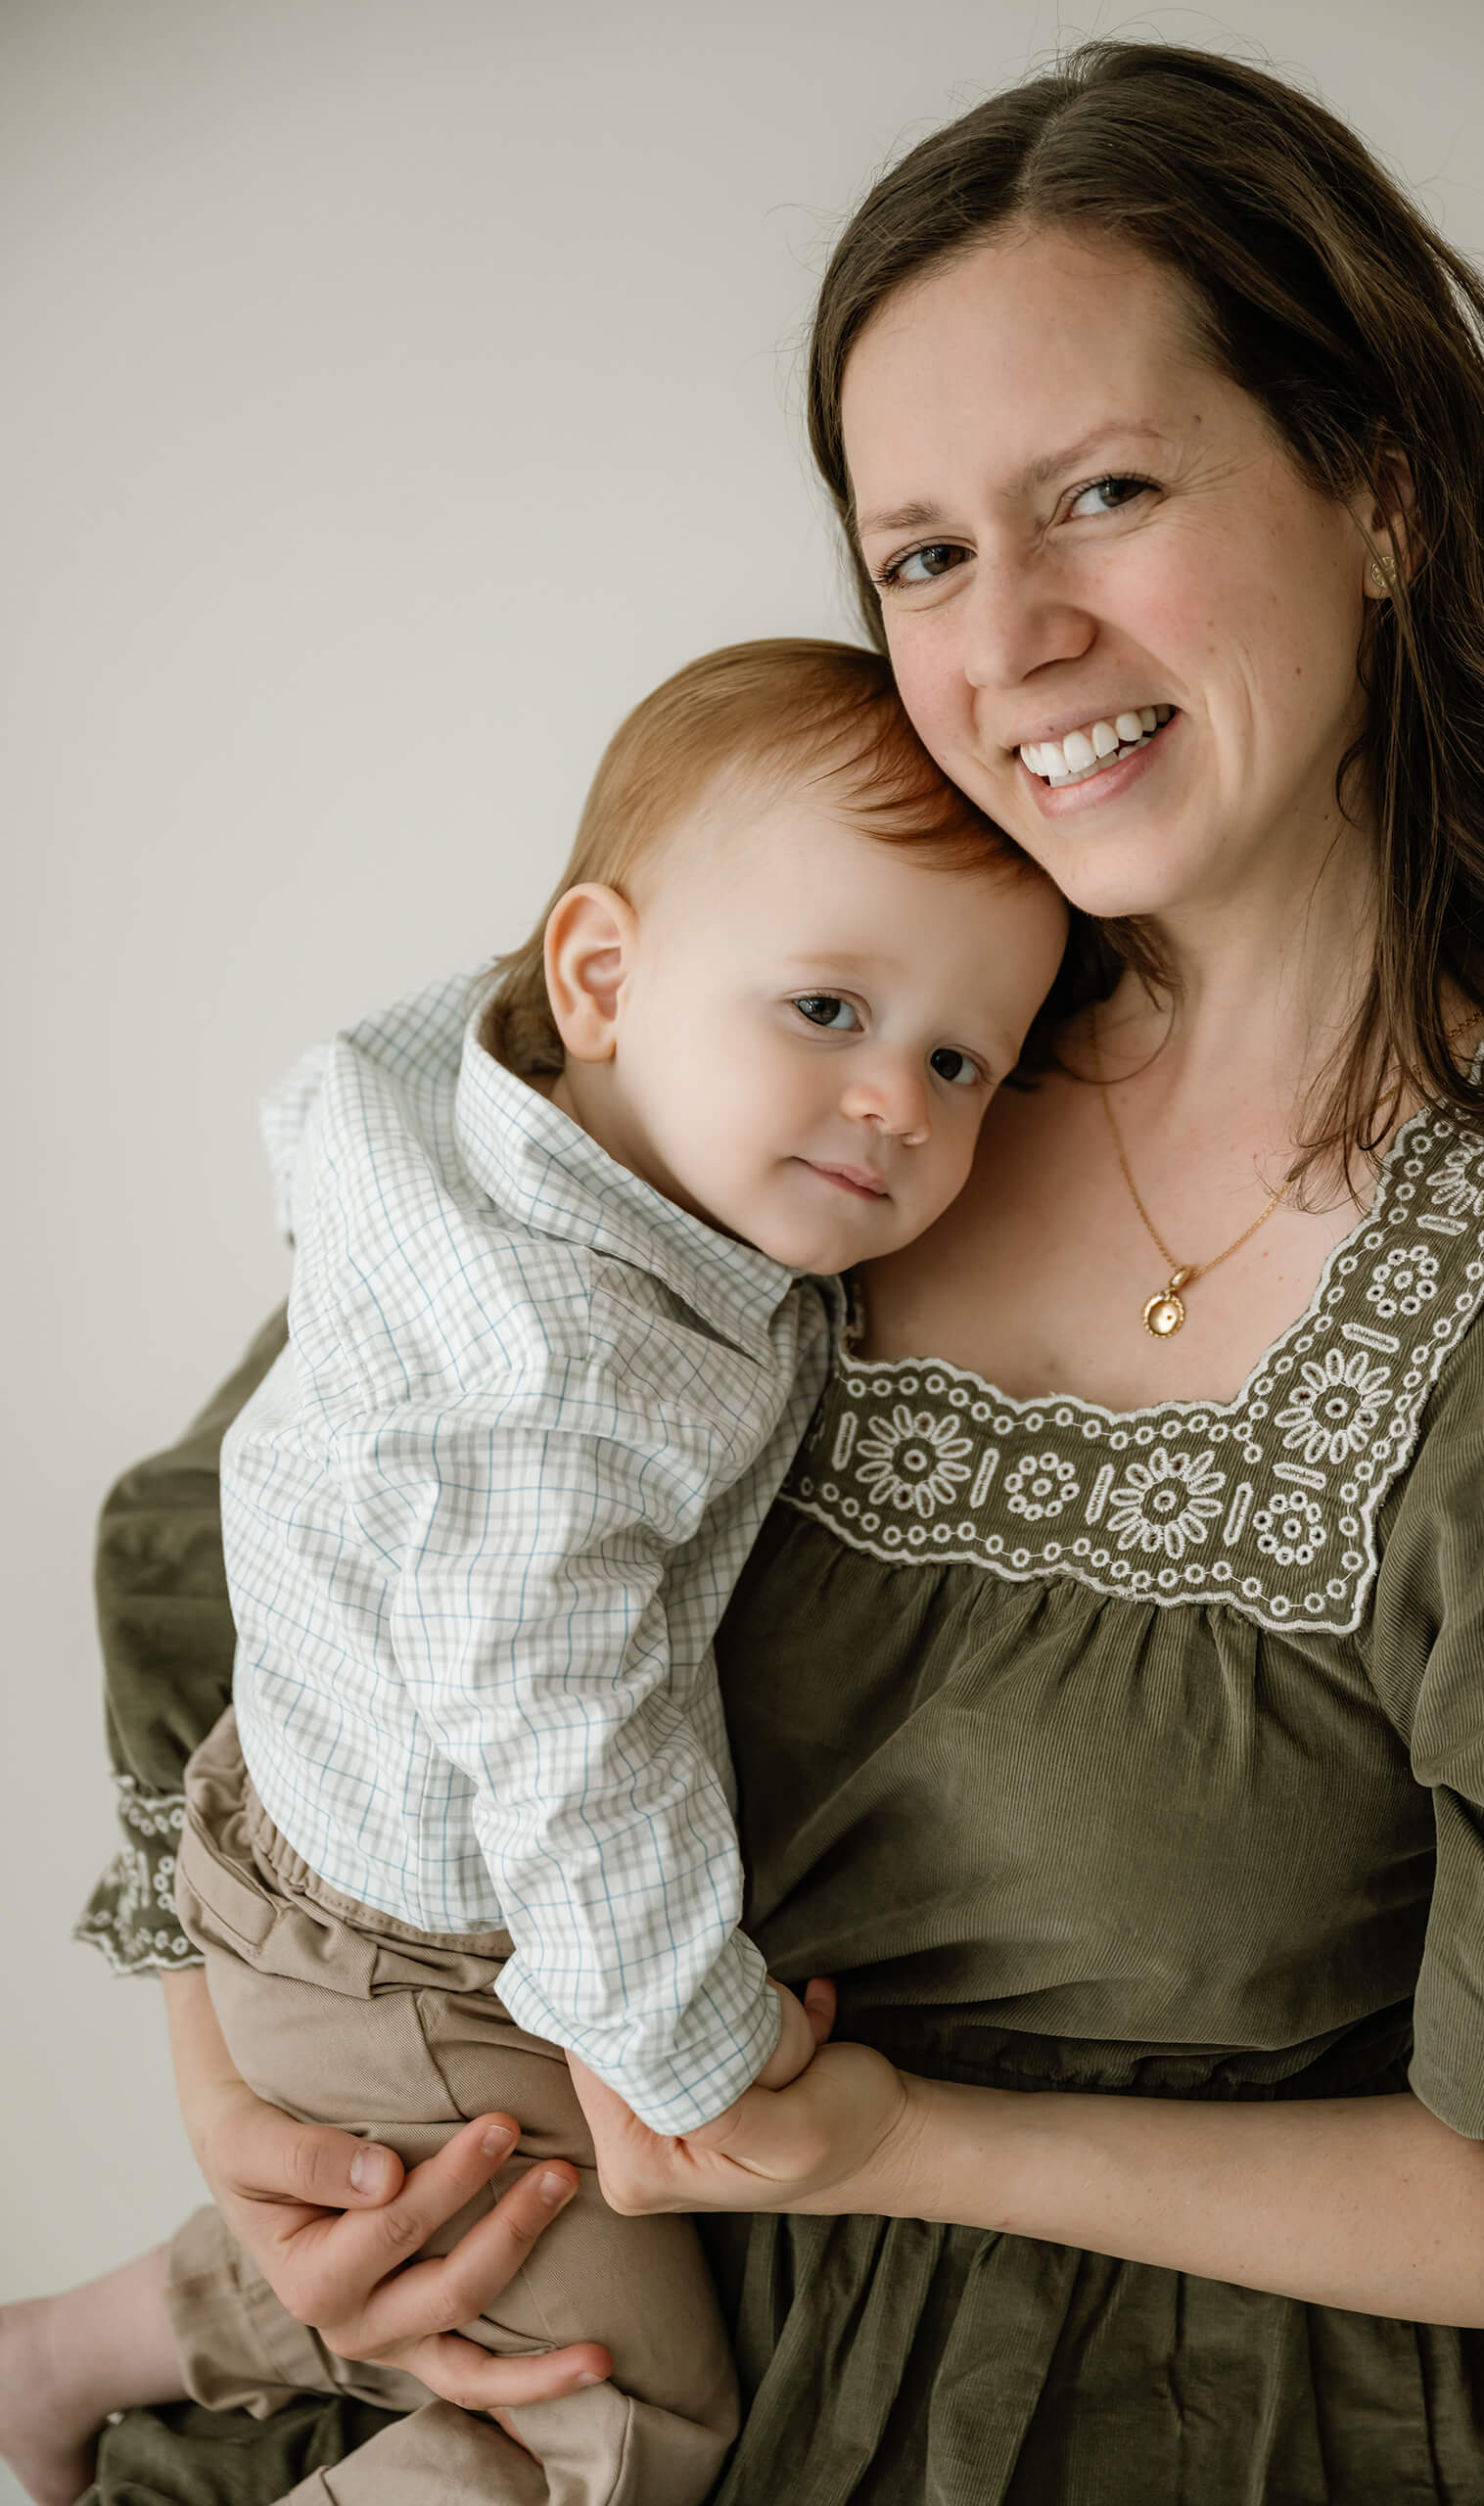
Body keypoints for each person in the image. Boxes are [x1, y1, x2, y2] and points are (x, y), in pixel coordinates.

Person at [13, 35, 1484, 2506]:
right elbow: (287, 1516)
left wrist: (882, 2136)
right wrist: (268, 2112)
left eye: (1099, 493)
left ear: (1378, 497)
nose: (1004, 639)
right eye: (916, 554)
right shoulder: (796, 1036)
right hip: (549, 2336)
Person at [0, 636, 1070, 2506]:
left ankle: (70, 2352)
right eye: (827, 1009)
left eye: (962, 1058)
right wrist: (699, 2047)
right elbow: (565, 1735)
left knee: (486, 2224)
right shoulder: (558, 1374)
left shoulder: (505, 1146)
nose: (900, 1101)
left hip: (336, 1857)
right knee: (634, 2422)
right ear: (598, 973)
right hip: (429, 1944)